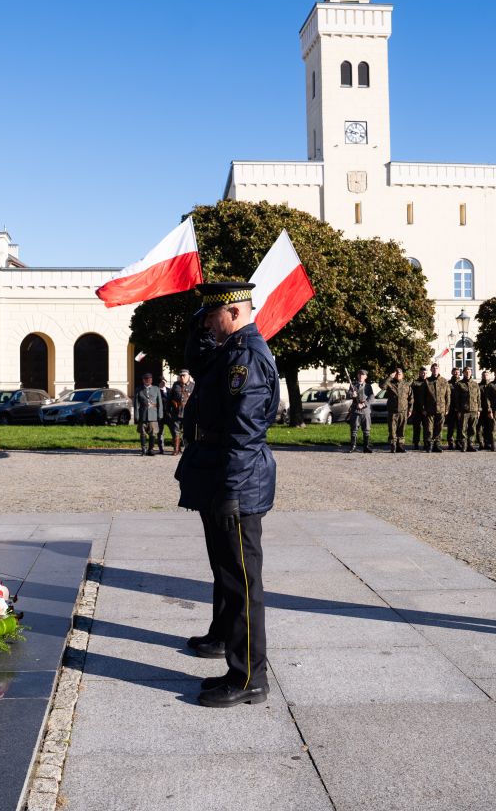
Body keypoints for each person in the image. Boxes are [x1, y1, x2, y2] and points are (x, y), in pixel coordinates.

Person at [176, 282, 279, 708]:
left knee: (242, 583)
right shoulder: (229, 349)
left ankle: (248, 679)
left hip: (234, 479)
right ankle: (231, 650)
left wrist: (231, 492)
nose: (207, 324)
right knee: (227, 571)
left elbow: (245, 434)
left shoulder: (246, 358)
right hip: (219, 474)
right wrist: (198, 323)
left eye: (212, 316)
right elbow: (196, 361)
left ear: (234, 313)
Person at [419, 363, 451, 453]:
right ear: (431, 370)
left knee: (439, 428)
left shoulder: (444, 381)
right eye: (433, 368)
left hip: (441, 409)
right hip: (429, 410)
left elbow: (447, 396)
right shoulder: (427, 381)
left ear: (439, 369)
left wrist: (447, 408)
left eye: (436, 368)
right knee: (429, 429)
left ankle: (437, 445)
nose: (435, 370)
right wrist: (423, 409)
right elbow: (422, 397)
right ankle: (429, 445)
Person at [134, 372, 164, 455]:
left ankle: (151, 449)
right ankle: (144, 448)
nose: (147, 380)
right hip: (142, 414)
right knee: (142, 433)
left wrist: (160, 414)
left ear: (151, 380)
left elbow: (160, 403)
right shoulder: (138, 389)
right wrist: (136, 416)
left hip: (153, 414)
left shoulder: (156, 389)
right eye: (146, 379)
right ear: (143, 380)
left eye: (149, 379)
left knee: (153, 433)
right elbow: (136, 404)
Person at [452, 367, 480, 452]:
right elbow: (456, 398)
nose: (468, 373)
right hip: (463, 410)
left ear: (471, 373)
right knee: (463, 428)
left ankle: (470, 444)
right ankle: (464, 445)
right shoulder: (459, 384)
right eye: (466, 372)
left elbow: (479, 398)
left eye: (469, 371)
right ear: (463, 373)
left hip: (474, 410)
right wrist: (458, 410)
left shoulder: (475, 384)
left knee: (472, 428)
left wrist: (479, 410)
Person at [346, 369, 374, 453]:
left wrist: (364, 404)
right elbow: (348, 395)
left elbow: (371, 397)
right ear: (358, 376)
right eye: (360, 374)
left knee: (366, 429)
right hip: (355, 410)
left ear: (366, 377)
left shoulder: (368, 386)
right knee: (354, 428)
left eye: (363, 375)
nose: (361, 376)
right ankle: (353, 446)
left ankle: (366, 446)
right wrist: (352, 394)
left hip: (365, 411)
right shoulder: (353, 385)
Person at [167, 368, 194, 455]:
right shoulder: (176, 385)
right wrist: (168, 410)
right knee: (176, 432)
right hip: (176, 413)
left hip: (188, 414)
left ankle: (187, 449)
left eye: (184, 375)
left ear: (188, 376)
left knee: (187, 432)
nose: (182, 377)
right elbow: (170, 398)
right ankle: (176, 449)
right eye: (181, 375)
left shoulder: (193, 386)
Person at [384, 368, 411, 453]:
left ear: (402, 375)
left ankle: (400, 446)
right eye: (396, 374)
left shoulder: (406, 385)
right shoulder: (390, 384)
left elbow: (411, 398)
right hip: (393, 411)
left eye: (399, 374)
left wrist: (410, 410)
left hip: (403, 411)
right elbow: (382, 386)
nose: (398, 375)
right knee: (392, 430)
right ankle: (393, 446)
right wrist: (389, 377)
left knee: (401, 430)